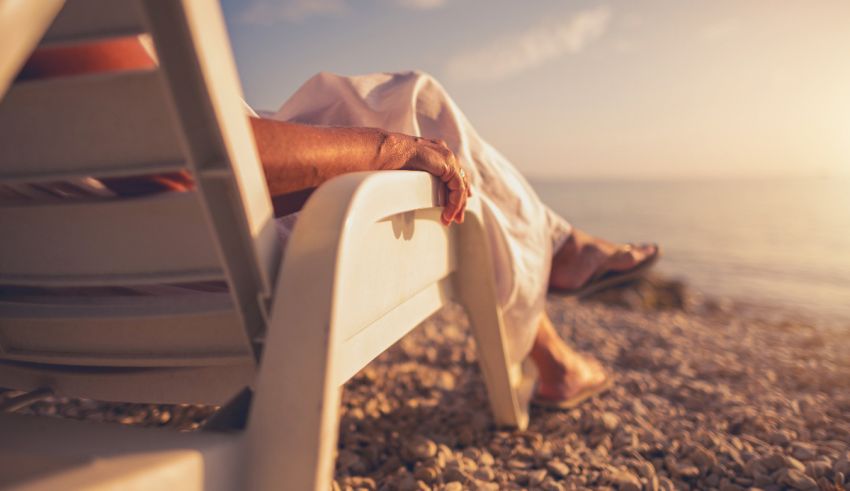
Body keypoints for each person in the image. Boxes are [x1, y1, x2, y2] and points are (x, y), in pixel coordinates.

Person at [7, 36, 659, 408]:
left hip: (51, 302)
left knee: (404, 116)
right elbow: (170, 155)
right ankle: (557, 260)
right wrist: (390, 153)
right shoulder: (47, 19)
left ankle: (556, 320)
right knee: (414, 110)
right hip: (206, 274)